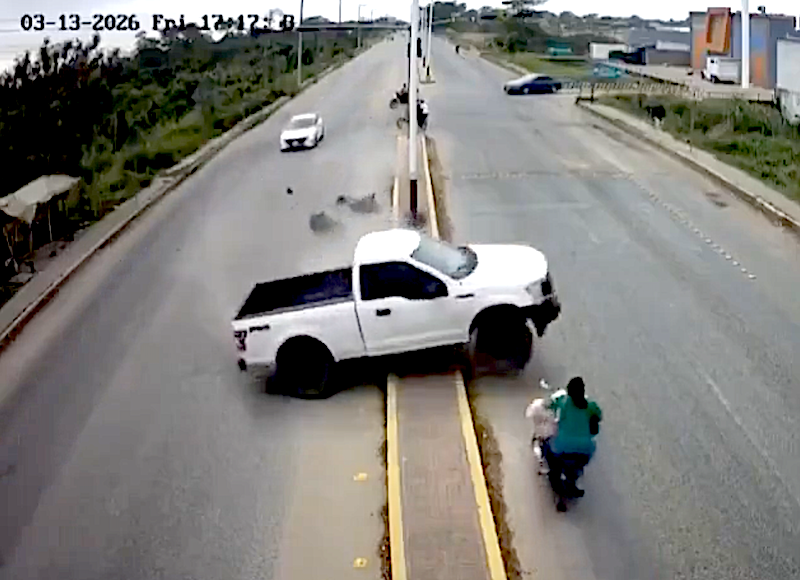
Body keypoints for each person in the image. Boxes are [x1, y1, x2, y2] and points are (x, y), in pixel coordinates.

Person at [541, 377, 602, 499]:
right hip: (585, 451)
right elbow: (598, 417)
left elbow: (548, 405)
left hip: (562, 447)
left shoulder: (563, 402)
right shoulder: (591, 406)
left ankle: (554, 474)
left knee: (546, 445)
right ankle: (571, 481)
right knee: (577, 464)